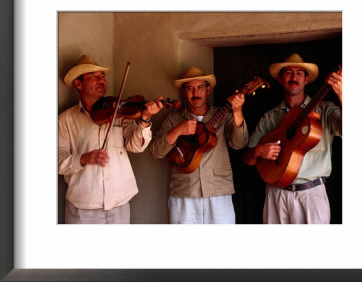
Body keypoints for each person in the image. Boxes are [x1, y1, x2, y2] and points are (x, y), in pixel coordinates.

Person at [58, 54, 163, 224]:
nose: (101, 80)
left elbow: (135, 146)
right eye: (93, 76)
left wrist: (144, 120)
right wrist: (83, 159)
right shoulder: (66, 120)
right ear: (78, 84)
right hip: (83, 206)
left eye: (102, 76)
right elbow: (57, 160)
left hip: (119, 202)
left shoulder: (119, 113)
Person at [243, 53, 342, 224]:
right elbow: (247, 159)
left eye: (299, 73)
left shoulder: (325, 110)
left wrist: (343, 97)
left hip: (311, 195)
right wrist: (259, 151)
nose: (294, 77)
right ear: (280, 79)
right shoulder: (269, 117)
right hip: (275, 194)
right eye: (288, 72)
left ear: (306, 79)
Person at [149, 66, 249, 224]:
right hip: (184, 193)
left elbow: (240, 143)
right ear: (184, 92)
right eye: (190, 88)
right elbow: (156, 151)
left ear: (208, 90)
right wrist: (178, 130)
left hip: (219, 192)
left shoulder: (223, 116)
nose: (195, 93)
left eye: (200, 88)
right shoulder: (173, 120)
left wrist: (237, 111)